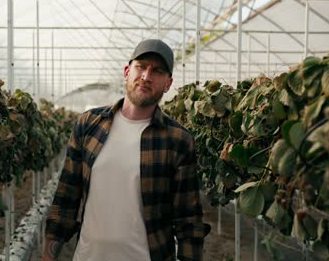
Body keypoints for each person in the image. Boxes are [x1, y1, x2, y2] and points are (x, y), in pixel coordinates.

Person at [42, 39, 210, 261]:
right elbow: (66, 196)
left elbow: (188, 218)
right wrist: (47, 255)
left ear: (168, 84)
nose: (147, 76)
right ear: (127, 71)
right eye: (141, 66)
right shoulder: (89, 124)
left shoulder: (178, 140)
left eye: (157, 71)